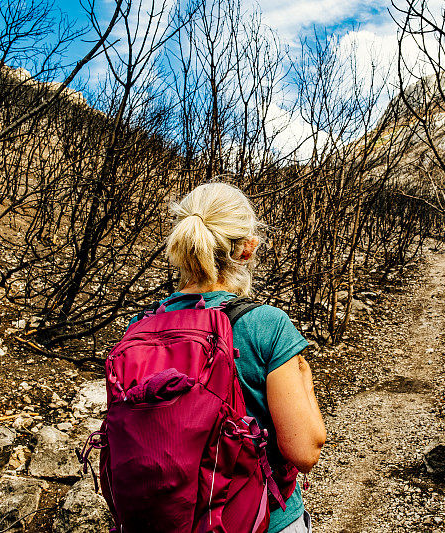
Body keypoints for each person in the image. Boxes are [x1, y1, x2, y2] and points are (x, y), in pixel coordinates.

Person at [131, 182, 326, 533]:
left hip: (166, 521)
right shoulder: (265, 324)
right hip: (260, 520)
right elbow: (305, 450)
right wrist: (304, 374)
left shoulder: (140, 328)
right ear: (248, 248)